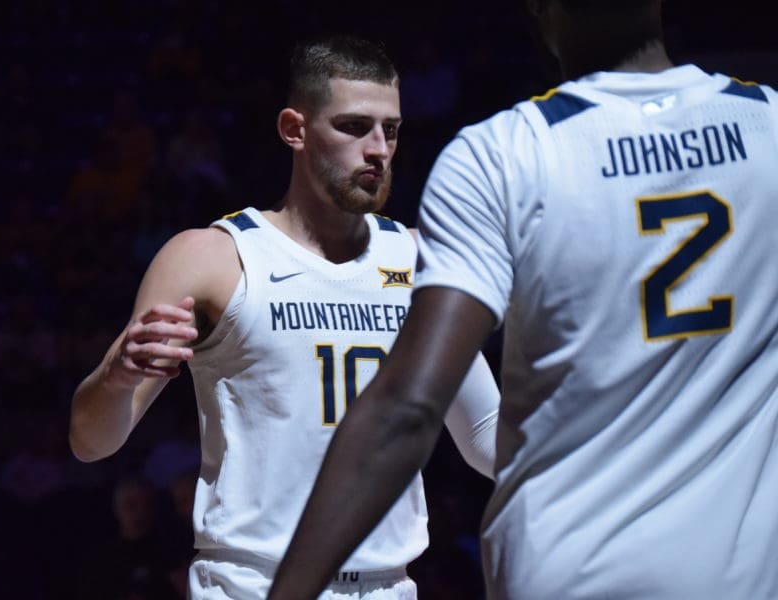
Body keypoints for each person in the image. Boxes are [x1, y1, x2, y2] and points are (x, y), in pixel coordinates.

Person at [268, 2, 778, 599]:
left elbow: (408, 409)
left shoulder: (502, 154)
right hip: (743, 570)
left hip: (568, 566)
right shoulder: (767, 126)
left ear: (540, 9)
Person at [69, 34, 500, 599]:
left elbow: (485, 435)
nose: (377, 149)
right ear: (294, 129)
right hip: (251, 584)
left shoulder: (423, 260)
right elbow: (90, 442)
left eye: (390, 129)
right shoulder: (211, 258)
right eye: (353, 127)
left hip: (387, 586)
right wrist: (117, 376)